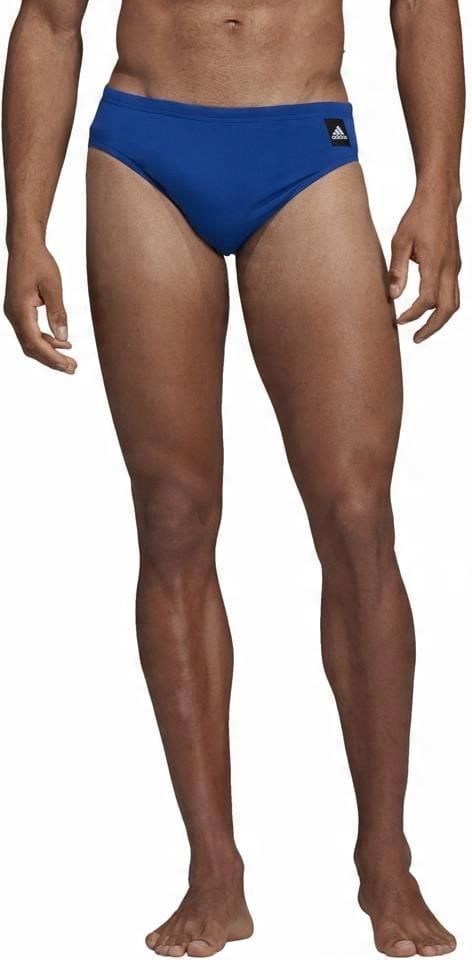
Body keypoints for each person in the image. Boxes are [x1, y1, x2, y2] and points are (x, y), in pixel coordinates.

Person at [2, 0, 464, 956]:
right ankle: (213, 871)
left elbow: (423, 7)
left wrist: (438, 191)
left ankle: (386, 856)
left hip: (304, 139)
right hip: (143, 145)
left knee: (356, 516)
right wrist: (24, 231)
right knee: (172, 515)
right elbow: (48, 21)